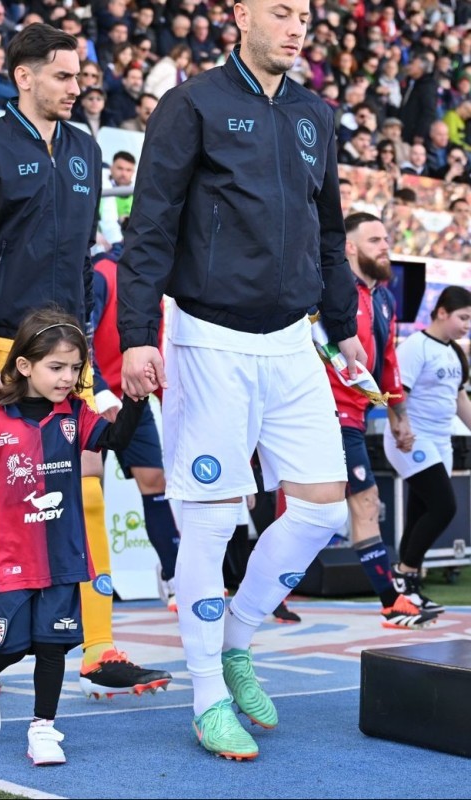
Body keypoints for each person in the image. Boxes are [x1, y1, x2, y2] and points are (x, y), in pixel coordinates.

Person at [118, 0, 364, 760]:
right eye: (281, 12)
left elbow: (329, 230)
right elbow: (150, 223)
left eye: (306, 16)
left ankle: (236, 639)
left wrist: (345, 324)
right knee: (213, 518)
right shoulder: (191, 104)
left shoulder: (314, 113)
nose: (296, 27)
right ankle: (206, 694)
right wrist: (133, 336)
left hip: (294, 344)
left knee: (326, 509)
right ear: (243, 16)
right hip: (209, 340)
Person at [0, 23, 171, 698]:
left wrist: (86, 358)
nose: (78, 87)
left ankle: (99, 649)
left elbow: (76, 266)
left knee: (87, 489)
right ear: (25, 76)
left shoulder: (85, 150)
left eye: (80, 76)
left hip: (67, 349)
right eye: (65, 76)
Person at [0, 307, 149, 764]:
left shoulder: (75, 415)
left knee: (51, 646)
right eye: (57, 367)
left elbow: (116, 440)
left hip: (62, 555)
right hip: (7, 558)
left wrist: (136, 399)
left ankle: (44, 728)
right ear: (24, 365)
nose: (68, 377)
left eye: (75, 368)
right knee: (12, 643)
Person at [329, 213, 436, 629]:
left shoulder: (386, 299)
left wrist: (398, 416)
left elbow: (388, 364)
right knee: (366, 501)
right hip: (325, 411)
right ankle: (392, 601)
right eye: (374, 240)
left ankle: (392, 601)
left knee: (347, 508)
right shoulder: (331, 288)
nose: (385, 246)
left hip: (356, 413)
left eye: (386, 238)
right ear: (350, 247)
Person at [91, 256, 180, 611]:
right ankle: (85, 585)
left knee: (154, 480)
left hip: (133, 397)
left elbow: (155, 350)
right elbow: (80, 333)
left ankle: (173, 576)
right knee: (87, 488)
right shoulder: (102, 274)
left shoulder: (159, 282)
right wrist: (97, 389)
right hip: (87, 398)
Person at [383, 286, 471, 617]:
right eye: (462, 318)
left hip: (440, 441)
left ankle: (407, 591)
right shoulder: (416, 347)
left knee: (422, 510)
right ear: (442, 312)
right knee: (444, 506)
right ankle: (405, 575)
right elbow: (394, 391)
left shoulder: (455, 353)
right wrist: (399, 427)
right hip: (411, 438)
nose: (466, 326)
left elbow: (460, 399)